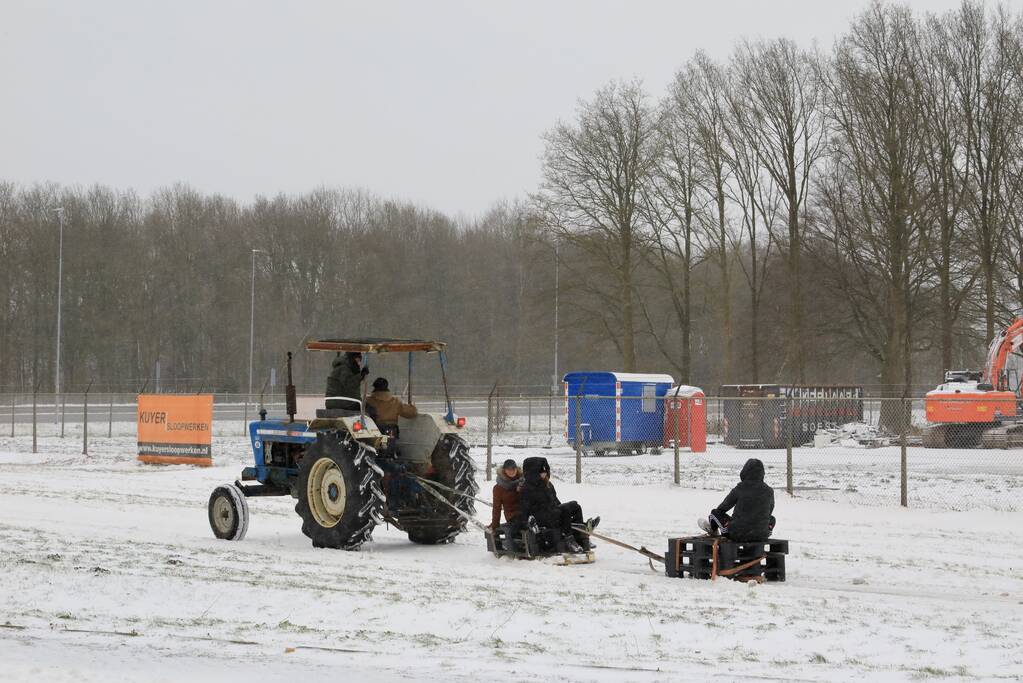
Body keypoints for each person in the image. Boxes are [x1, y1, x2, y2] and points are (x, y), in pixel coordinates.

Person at [515, 456, 599, 553]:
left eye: (545, 471)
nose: (544, 474)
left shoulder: (547, 484)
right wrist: (526, 523)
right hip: (540, 517)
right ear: (534, 473)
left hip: (552, 511)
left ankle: (582, 535)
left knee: (575, 506)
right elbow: (524, 509)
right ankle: (569, 539)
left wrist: (561, 508)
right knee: (564, 510)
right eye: (541, 472)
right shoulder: (527, 488)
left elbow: (555, 501)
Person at [698, 458, 775, 541]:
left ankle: (713, 530)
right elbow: (769, 512)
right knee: (772, 519)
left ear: (745, 471)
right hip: (761, 535)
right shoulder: (769, 491)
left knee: (715, 512)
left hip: (737, 534)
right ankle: (762, 531)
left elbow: (722, 508)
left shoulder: (740, 488)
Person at [490, 459, 522, 530]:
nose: (511, 471)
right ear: (504, 470)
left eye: (513, 469)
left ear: (516, 469)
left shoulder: (523, 480)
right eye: (508, 469)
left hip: (527, 512)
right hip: (512, 516)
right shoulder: (498, 488)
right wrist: (495, 526)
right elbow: (496, 508)